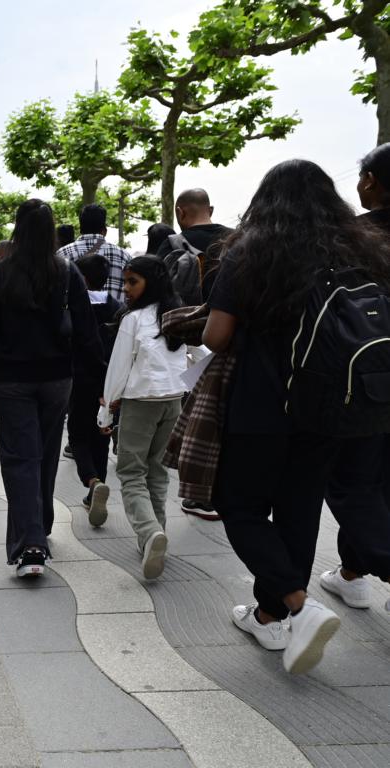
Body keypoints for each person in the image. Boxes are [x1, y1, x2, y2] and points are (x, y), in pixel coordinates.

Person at [202, 159, 390, 674]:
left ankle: (298, 605)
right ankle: (269, 617)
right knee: (299, 510)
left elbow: (216, 336)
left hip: (261, 405)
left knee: (238, 505)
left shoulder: (250, 251)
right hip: (331, 406)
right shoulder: (361, 249)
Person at [0, 199, 103, 578]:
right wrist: (99, 383)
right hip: (57, 379)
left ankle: (31, 545)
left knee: (20, 459)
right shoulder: (66, 272)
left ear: (17, 228)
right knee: (46, 454)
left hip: (10, 380)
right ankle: (40, 524)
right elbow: (87, 332)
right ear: (51, 231)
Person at [319, 143, 390, 610]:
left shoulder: (354, 238)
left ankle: (372, 564)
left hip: (365, 379)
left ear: (370, 181)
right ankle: (351, 573)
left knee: (352, 482)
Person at [98, 256, 187, 579]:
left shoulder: (133, 319)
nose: (126, 288)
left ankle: (150, 533)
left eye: (132, 281)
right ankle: (154, 535)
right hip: (173, 401)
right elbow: (203, 354)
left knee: (131, 472)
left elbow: (118, 369)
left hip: (140, 402)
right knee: (158, 472)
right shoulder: (179, 313)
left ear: (151, 282)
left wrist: (105, 413)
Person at [68, 253, 122, 525]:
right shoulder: (117, 309)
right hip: (111, 384)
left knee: (78, 436)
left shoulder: (73, 307)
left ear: (81, 278)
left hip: (80, 381)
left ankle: (92, 481)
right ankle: (94, 493)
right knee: (101, 437)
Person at [156, 189, 233, 300]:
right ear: (211, 211)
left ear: (180, 212)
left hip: (188, 311)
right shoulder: (239, 238)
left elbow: (156, 287)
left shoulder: (171, 244)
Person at [57, 204, 131, 303]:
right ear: (104, 230)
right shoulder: (124, 256)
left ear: (81, 228)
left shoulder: (62, 255)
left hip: (76, 312)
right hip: (116, 312)